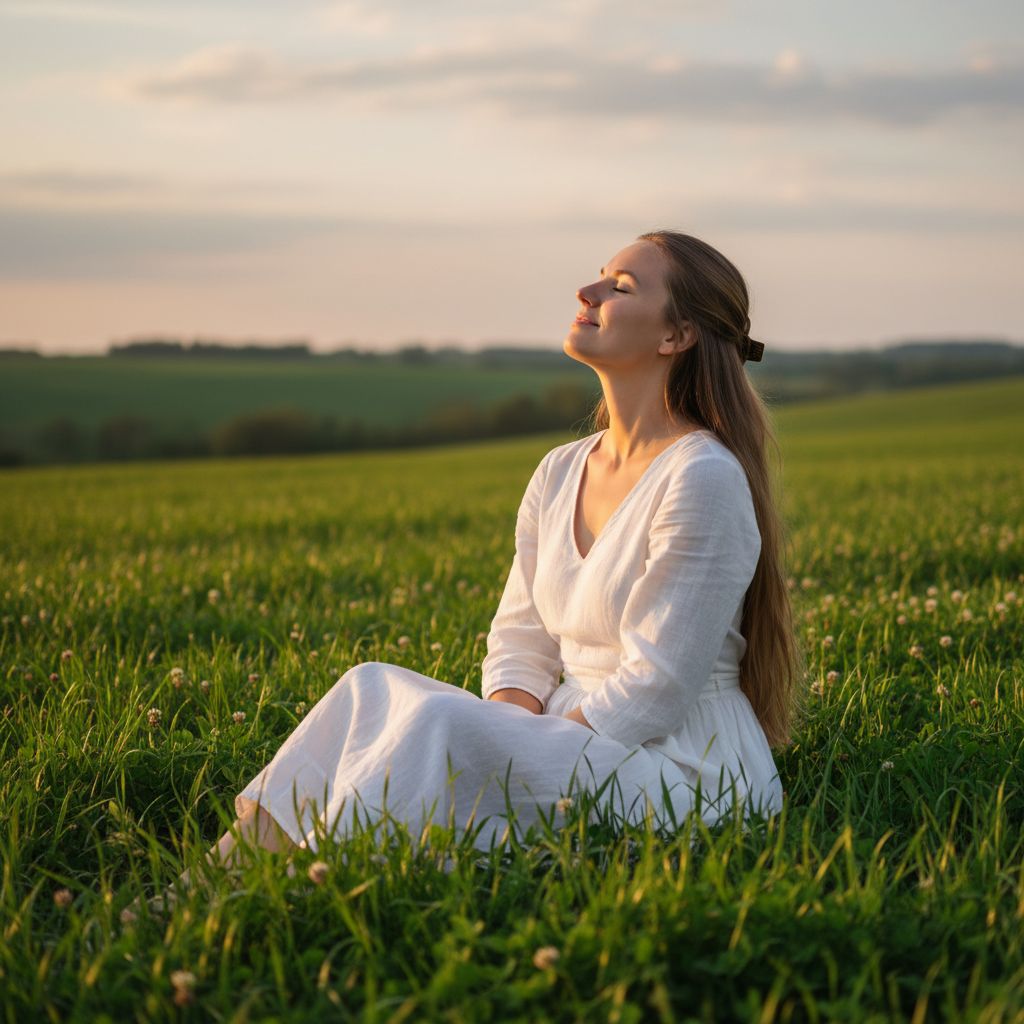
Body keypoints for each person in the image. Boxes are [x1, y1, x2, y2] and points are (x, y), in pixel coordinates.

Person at [133, 229, 803, 915]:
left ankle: (290, 904)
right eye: (599, 275)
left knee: (436, 728)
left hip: (685, 773)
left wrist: (515, 741)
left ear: (676, 336)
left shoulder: (702, 476)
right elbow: (521, 640)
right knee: (368, 688)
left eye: (621, 287)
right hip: (579, 740)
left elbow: (656, 688)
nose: (588, 292)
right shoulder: (560, 470)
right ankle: (198, 893)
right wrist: (505, 729)